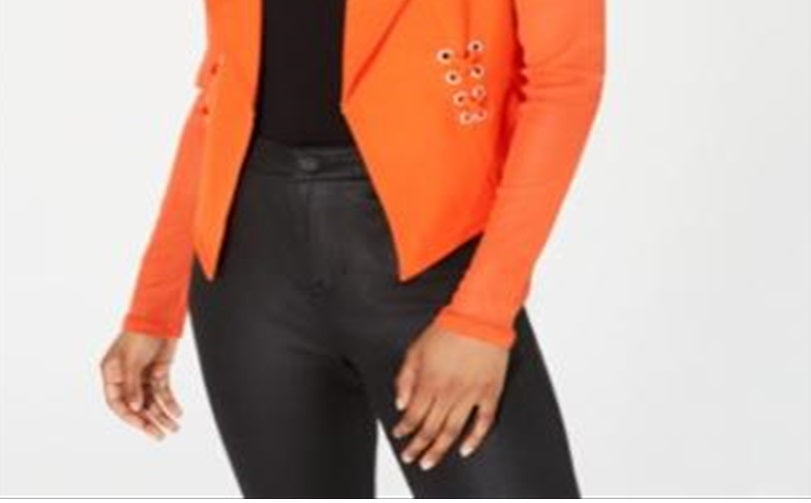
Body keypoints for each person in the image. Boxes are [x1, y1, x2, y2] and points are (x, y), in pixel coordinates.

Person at [99, 0, 605, 498]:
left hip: (434, 261)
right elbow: (221, 87)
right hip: (250, 268)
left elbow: (564, 83)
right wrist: (154, 308)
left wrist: (482, 318)